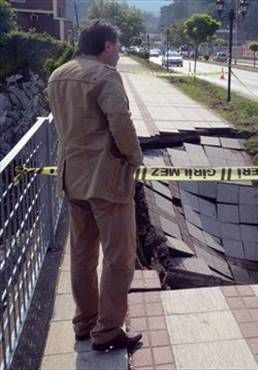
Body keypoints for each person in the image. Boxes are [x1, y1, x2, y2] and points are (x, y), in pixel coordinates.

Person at [47, 20, 143, 352]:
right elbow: (120, 121)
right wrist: (134, 156)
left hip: (72, 177)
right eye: (117, 46)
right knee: (119, 258)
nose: (119, 52)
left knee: (82, 254)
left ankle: (84, 323)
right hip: (107, 180)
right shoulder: (105, 75)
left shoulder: (58, 75)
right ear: (106, 46)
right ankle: (108, 331)